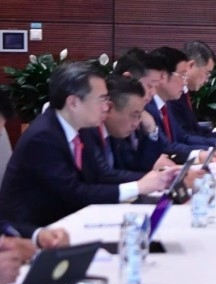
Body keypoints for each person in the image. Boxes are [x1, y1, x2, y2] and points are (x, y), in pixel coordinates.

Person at [0, 62, 174, 229]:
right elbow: (74, 193)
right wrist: (138, 186)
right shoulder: (43, 137)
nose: (107, 107)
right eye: (102, 99)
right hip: (32, 233)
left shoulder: (81, 129)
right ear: (73, 103)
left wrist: (157, 179)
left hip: (69, 222)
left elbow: (100, 176)